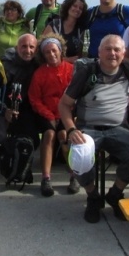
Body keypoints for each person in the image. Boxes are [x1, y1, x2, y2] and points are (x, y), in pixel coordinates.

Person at [59, 35, 129, 223]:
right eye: (108, 49)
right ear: (99, 52)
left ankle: (116, 193)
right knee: (80, 156)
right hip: (88, 128)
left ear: (124, 53)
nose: (112, 53)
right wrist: (71, 130)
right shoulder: (87, 72)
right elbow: (64, 104)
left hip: (118, 128)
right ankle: (93, 196)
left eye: (117, 50)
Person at [0, 33, 39, 184]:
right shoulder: (4, 65)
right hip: (3, 105)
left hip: (26, 106)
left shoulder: (37, 65)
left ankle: (23, 164)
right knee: (0, 134)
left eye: (32, 47)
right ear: (17, 47)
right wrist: (5, 110)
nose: (28, 50)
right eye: (24, 46)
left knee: (31, 134)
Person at [28, 33, 76, 196]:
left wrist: (68, 113)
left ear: (60, 51)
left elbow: (77, 94)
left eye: (54, 50)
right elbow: (34, 99)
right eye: (47, 52)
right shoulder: (40, 73)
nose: (51, 54)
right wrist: (48, 115)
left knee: (65, 135)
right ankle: (46, 178)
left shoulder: (71, 70)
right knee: (49, 134)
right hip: (46, 112)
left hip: (66, 112)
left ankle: (74, 175)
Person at [42, 0, 88, 64]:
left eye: (80, 8)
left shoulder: (80, 30)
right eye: (75, 6)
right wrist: (67, 59)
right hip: (52, 66)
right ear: (68, 6)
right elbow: (42, 50)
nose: (77, 9)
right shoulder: (54, 26)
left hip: (72, 68)